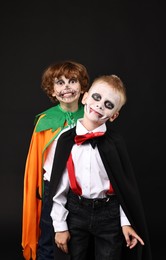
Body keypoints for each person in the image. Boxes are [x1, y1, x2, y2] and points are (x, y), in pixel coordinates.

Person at [49, 74, 152, 260]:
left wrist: (125, 222)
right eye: (96, 97)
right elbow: (59, 188)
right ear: (85, 97)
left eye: (108, 104)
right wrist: (60, 226)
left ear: (114, 115)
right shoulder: (65, 140)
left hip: (109, 215)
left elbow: (124, 189)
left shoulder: (115, 143)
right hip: (75, 212)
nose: (99, 105)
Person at [22, 60, 90, 260]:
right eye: (59, 83)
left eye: (72, 81)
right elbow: (35, 161)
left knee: (81, 238)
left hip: (83, 189)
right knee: (49, 236)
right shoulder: (45, 121)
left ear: (83, 86)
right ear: (52, 91)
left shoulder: (91, 116)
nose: (67, 86)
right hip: (53, 186)